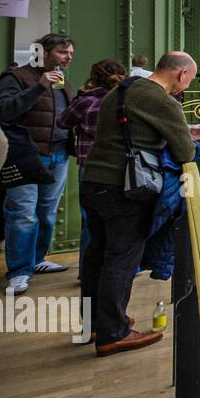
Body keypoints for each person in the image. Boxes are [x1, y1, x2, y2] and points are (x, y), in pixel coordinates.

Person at [79, 51, 200, 355]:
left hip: (93, 181)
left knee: (96, 255)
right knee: (121, 259)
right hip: (124, 190)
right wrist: (196, 143)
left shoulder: (120, 91)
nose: (185, 88)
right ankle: (114, 332)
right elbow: (185, 153)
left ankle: (94, 323)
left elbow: (135, 131)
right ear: (181, 74)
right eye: (188, 80)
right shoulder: (163, 101)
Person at [0, 33, 76, 295]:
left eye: (71, 53)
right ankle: (19, 272)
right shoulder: (16, 77)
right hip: (27, 156)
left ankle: (37, 259)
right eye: (64, 52)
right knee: (22, 214)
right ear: (44, 52)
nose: (69, 57)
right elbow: (4, 111)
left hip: (58, 155)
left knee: (46, 212)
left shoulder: (62, 82)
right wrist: (39, 86)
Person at [58, 59, 127, 282]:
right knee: (121, 220)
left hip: (90, 167)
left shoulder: (84, 101)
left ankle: (88, 272)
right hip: (121, 166)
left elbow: (62, 122)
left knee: (91, 221)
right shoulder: (125, 101)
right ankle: (121, 271)